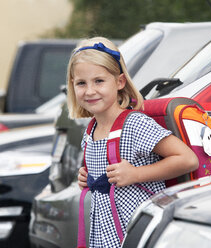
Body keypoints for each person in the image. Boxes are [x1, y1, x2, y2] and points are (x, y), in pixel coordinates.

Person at [67, 37, 198, 248]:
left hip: (136, 232)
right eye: (81, 83)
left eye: (99, 81)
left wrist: (136, 174)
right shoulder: (91, 130)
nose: (89, 91)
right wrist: (87, 177)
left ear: (119, 82)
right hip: (105, 234)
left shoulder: (134, 124)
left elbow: (187, 159)